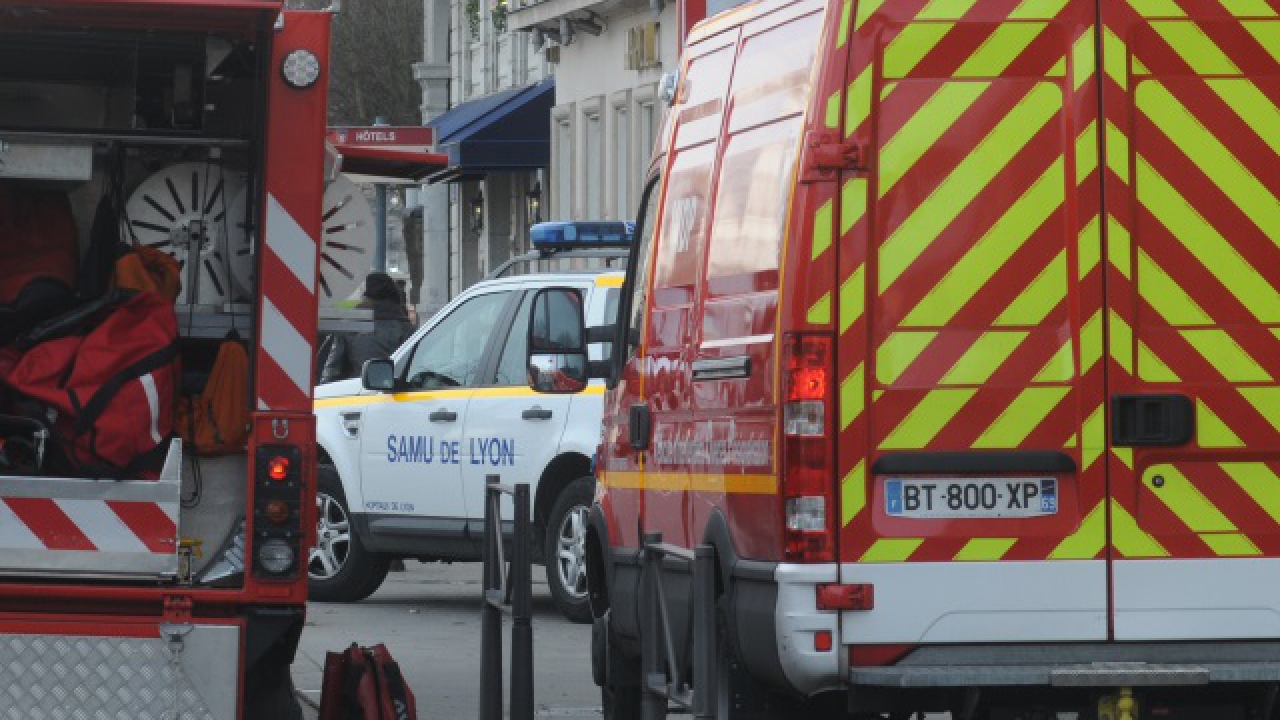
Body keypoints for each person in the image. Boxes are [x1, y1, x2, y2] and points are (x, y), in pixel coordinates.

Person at [320, 272, 414, 384]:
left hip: (356, 392)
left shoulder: (351, 326)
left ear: (366, 296)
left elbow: (332, 370)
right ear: (394, 296)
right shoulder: (406, 328)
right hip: (394, 393)